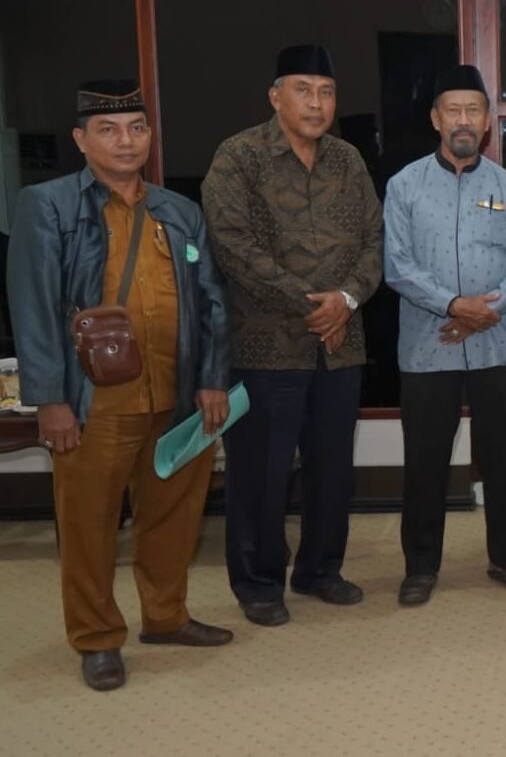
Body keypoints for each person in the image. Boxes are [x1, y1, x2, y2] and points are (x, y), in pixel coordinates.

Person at [7, 80, 233, 690]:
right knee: (89, 523)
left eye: (136, 127)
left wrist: (213, 380)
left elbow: (212, 302)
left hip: (178, 394)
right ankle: (97, 637)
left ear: (150, 137)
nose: (125, 140)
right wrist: (50, 399)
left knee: (173, 516)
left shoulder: (178, 211)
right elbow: (33, 307)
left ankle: (165, 616)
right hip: (92, 403)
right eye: (108, 130)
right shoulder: (47, 205)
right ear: (81, 140)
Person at [201, 45, 383, 626]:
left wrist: (347, 299)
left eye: (326, 91)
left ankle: (321, 570)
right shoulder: (239, 157)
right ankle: (258, 583)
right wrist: (312, 304)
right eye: (303, 89)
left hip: (340, 344)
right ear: (276, 96)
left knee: (333, 469)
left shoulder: (348, 160)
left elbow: (373, 242)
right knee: (262, 472)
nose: (316, 102)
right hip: (266, 346)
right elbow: (233, 247)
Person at [382, 64, 506, 606]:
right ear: (435, 118)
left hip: (502, 342)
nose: (464, 119)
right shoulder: (403, 186)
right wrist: (453, 305)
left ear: (489, 122)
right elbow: (396, 265)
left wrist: (485, 310)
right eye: (454, 109)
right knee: (424, 461)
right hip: (430, 346)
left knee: (503, 458)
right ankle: (420, 567)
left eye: (474, 110)